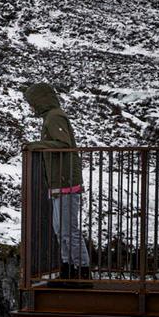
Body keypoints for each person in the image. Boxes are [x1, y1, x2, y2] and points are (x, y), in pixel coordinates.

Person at [23, 82, 91, 281]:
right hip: (58, 183)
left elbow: (64, 144)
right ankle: (68, 268)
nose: (31, 107)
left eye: (32, 102)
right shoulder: (50, 117)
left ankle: (81, 270)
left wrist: (36, 145)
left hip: (66, 181)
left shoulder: (54, 117)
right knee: (60, 229)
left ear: (40, 100)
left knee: (68, 230)